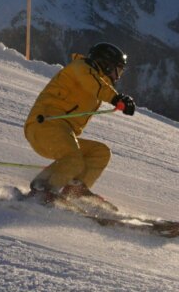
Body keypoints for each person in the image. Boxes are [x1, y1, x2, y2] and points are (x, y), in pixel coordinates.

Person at [23, 42, 137, 205]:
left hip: (61, 132)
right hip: (44, 125)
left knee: (99, 152)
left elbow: (97, 85)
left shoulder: (97, 80)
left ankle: (74, 190)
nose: (117, 76)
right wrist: (116, 98)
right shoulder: (80, 67)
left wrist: (116, 98)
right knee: (73, 158)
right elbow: (92, 83)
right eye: (116, 70)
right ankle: (44, 191)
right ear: (105, 64)